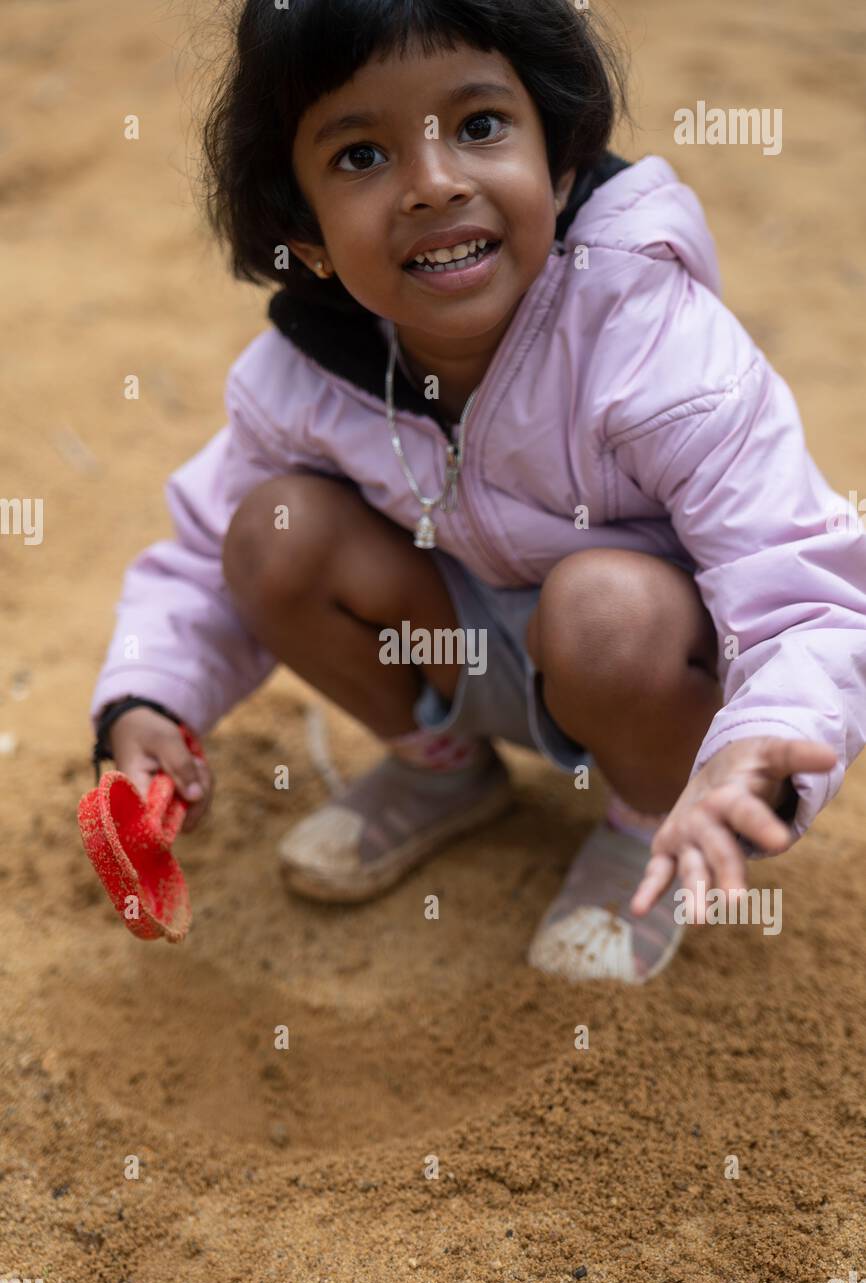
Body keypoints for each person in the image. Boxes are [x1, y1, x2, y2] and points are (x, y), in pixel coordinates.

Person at [90, 0, 864, 984]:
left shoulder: (651, 344)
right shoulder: (304, 376)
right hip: (460, 641)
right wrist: (145, 695)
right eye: (360, 155)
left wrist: (756, 746)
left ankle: (645, 824)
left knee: (606, 608)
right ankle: (440, 771)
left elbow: (801, 590)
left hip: (644, 670)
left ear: (562, 156)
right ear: (307, 234)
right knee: (268, 535)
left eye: (480, 126)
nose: (434, 183)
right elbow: (202, 558)